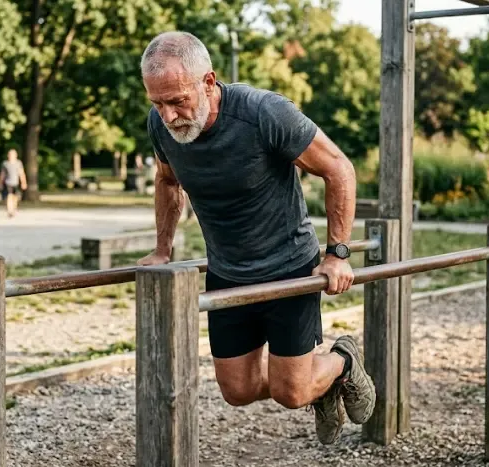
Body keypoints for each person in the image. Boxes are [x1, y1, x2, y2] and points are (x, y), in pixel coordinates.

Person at [136, 31, 374, 445]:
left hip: (288, 269)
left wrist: (337, 253)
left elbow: (339, 168)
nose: (169, 116)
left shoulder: (265, 113)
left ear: (208, 83)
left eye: (178, 101)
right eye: (157, 102)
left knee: (291, 392)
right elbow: (167, 181)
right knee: (238, 391)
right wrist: (162, 249)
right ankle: (321, 379)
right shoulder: (161, 127)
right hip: (228, 271)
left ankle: (342, 361)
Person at [0, 149, 27, 217]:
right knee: (9, 196)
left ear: (16, 155)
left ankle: (14, 208)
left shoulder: (18, 163)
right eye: (10, 154)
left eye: (13, 154)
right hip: (8, 182)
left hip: (16, 182)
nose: (11, 156)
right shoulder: (5, 164)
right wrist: (0, 183)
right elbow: (2, 174)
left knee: (15, 197)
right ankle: (9, 210)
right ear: (8, 155)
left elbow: (21, 173)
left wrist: (23, 182)